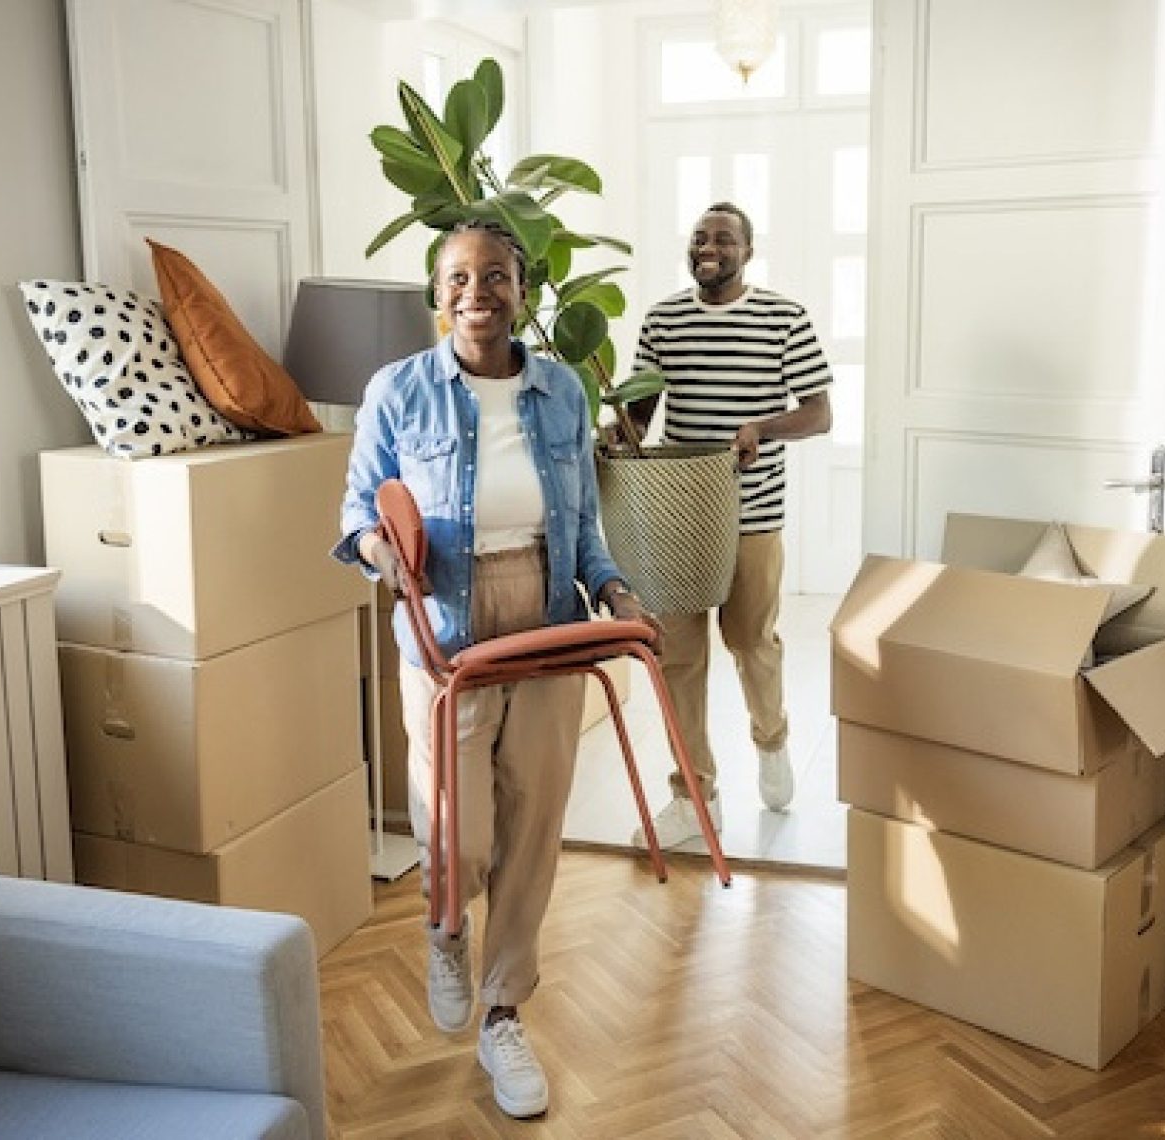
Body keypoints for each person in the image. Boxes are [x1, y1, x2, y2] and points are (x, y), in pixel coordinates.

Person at [333, 220, 660, 1120]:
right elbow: (358, 510)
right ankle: (446, 929)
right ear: (438, 295)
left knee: (534, 828)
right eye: (459, 277)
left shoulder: (560, 394)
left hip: (551, 623)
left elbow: (586, 527)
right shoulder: (397, 392)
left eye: (497, 275)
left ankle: (504, 1012)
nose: (477, 290)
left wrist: (618, 591)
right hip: (446, 630)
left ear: (524, 290)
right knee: (459, 835)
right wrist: (376, 548)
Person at [626, 201, 832, 849]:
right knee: (679, 657)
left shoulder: (782, 318)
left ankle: (771, 742)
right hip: (677, 517)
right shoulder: (664, 320)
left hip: (753, 516)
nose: (708, 246)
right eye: (699, 237)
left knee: (751, 643)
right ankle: (694, 796)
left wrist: (760, 428)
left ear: (748, 251)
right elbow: (641, 413)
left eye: (723, 239)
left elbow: (819, 414)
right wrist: (614, 435)